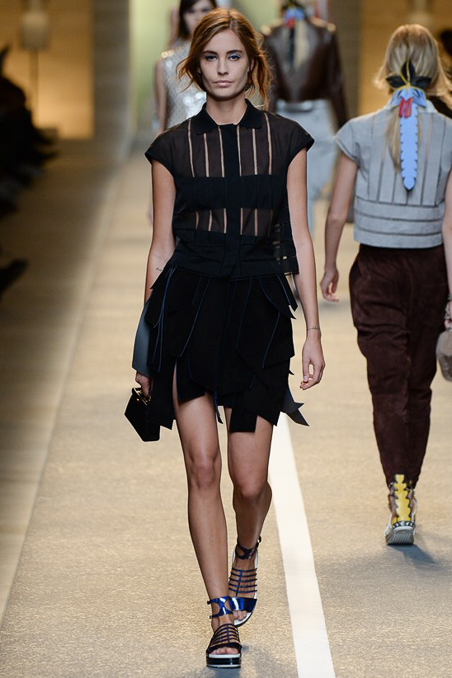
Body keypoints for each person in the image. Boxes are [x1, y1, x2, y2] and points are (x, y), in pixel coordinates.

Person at [135, 7, 325, 669]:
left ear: (252, 64)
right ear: (195, 67)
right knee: (202, 467)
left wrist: (314, 333)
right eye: (211, 59)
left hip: (259, 315)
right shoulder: (171, 149)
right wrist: (146, 348)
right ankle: (222, 617)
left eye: (233, 57)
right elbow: (160, 249)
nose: (222, 70)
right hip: (189, 312)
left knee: (248, 482)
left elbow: (300, 238)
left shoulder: (286, 140)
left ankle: (248, 550)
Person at [320, 24, 452, 546]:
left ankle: (398, 493)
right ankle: (407, 490)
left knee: (387, 386)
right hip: (429, 273)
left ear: (387, 67)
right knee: (417, 387)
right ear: (435, 69)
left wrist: (330, 265)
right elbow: (451, 225)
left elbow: (336, 213)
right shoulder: (450, 133)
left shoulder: (357, 131)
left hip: (375, 271)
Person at [262, 0, 348, 233]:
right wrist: (344, 126)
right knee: (306, 189)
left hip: (283, 116)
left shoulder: (270, 34)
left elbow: (271, 87)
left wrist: (264, 127)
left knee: (292, 189)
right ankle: (300, 243)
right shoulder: (325, 33)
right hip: (316, 118)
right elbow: (335, 83)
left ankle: (293, 243)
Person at [155, 0, 217, 133]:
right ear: (182, 17)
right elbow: (161, 117)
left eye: (205, 10)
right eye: (191, 11)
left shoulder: (227, 58)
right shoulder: (166, 62)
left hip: (218, 138)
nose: (198, 17)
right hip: (177, 139)